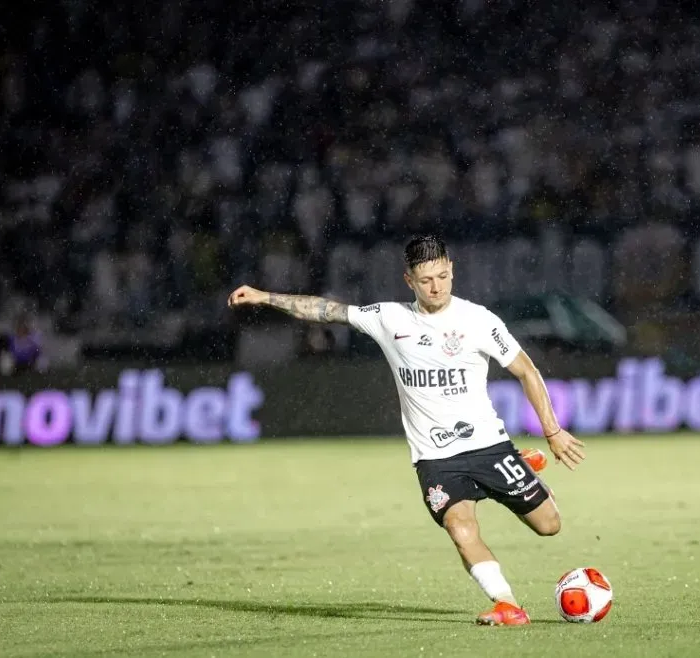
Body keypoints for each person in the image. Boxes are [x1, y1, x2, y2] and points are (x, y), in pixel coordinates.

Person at [228, 235, 586, 626]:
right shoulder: (389, 318)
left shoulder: (479, 320)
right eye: (426, 280)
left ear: (452, 270)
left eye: (443, 276)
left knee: (549, 525)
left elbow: (527, 371)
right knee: (460, 527)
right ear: (409, 280)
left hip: (488, 445)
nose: (437, 287)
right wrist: (264, 297)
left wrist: (552, 431)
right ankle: (507, 604)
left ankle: (521, 465)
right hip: (435, 458)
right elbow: (326, 310)